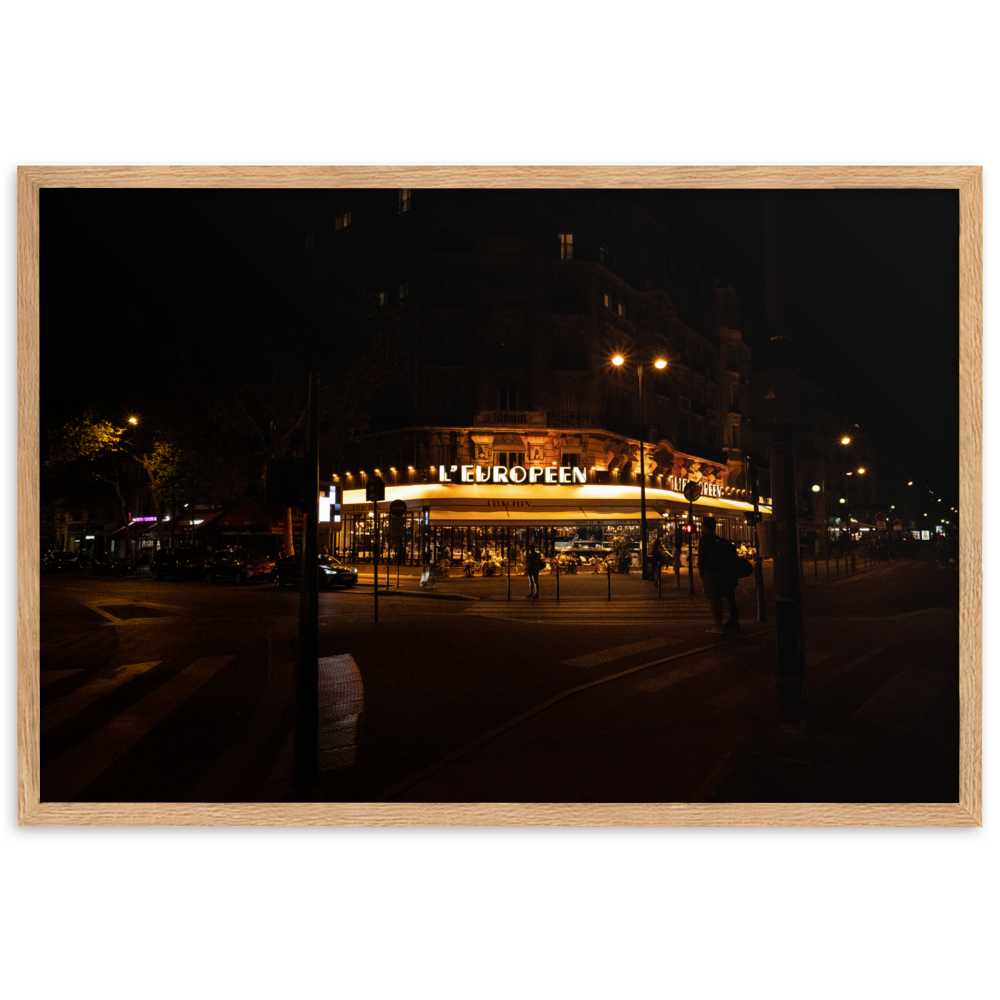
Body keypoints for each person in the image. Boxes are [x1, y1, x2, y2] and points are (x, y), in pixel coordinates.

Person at [697, 516, 739, 634]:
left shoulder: (704, 540)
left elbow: (701, 559)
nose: (701, 527)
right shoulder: (719, 540)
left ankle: (718, 625)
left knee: (713, 600)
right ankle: (719, 624)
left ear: (706, 527)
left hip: (710, 573)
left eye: (703, 525)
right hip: (721, 573)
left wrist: (702, 574)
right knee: (719, 599)